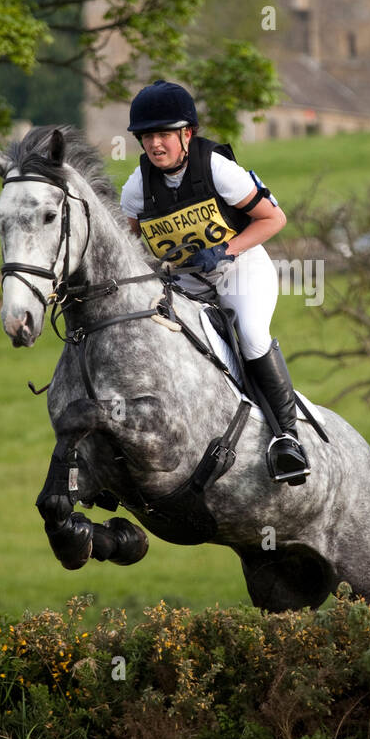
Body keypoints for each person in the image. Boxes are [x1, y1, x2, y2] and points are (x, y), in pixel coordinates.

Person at [119, 79, 310, 484]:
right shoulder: (137, 188)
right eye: (147, 136)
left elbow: (274, 219)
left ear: (187, 134)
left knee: (252, 334)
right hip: (185, 282)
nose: (155, 145)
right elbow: (129, 243)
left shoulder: (218, 169)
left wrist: (227, 250)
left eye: (164, 135)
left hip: (241, 269)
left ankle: (287, 440)